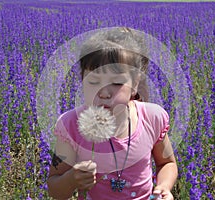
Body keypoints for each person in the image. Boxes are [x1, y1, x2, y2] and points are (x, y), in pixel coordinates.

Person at [47, 27, 178, 200]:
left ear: (135, 84)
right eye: (93, 81)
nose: (103, 93)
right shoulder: (70, 125)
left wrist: (163, 187)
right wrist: (71, 180)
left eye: (116, 83)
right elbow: (55, 188)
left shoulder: (152, 118)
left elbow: (167, 163)